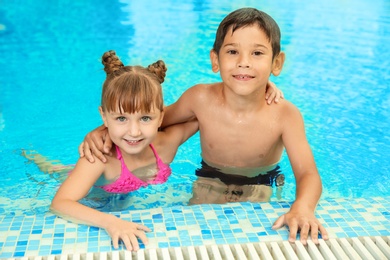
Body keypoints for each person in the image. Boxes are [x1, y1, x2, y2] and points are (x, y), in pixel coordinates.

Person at [80, 8, 328, 245]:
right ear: (215, 59)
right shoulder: (200, 99)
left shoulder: (285, 115)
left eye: (257, 53)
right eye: (232, 52)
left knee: (254, 240)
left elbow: (308, 174)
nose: (244, 63)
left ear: (277, 63)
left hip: (260, 184)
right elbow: (149, 119)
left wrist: (303, 208)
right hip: (209, 179)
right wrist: (102, 131)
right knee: (194, 236)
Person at [23, 50, 198, 252]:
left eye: (145, 118)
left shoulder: (167, 144)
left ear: (161, 117)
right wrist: (110, 222)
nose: (134, 132)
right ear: (104, 117)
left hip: (126, 192)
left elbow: (201, 114)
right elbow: (60, 203)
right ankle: (31, 154)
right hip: (96, 195)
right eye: (121, 119)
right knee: (55, 172)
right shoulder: (98, 158)